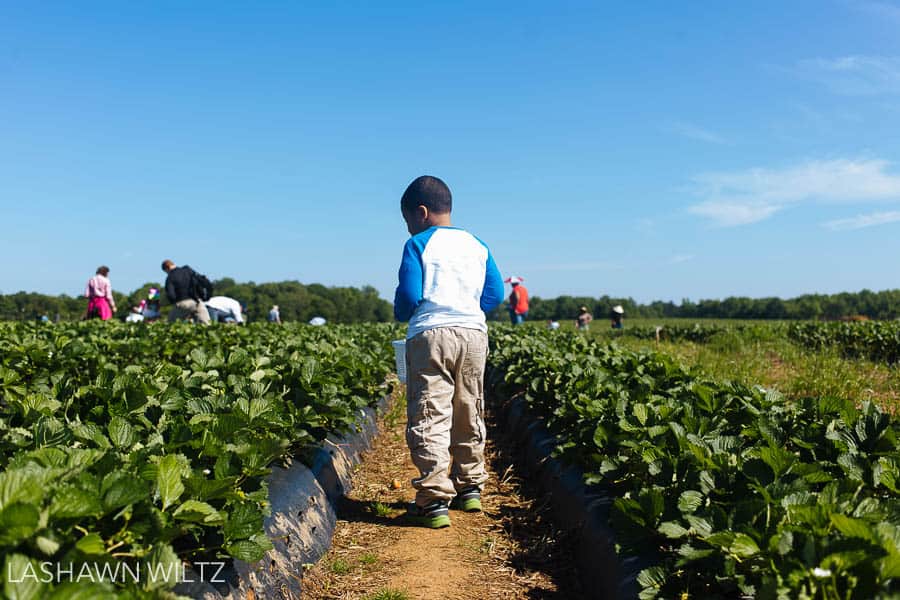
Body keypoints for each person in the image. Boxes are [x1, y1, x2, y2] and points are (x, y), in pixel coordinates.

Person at [394, 175, 504, 528]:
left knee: (430, 411)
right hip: (474, 334)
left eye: (409, 220)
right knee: (469, 405)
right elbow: (495, 295)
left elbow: (409, 296)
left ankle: (434, 498)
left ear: (421, 213)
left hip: (431, 334)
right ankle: (470, 486)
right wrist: (470, 310)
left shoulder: (418, 245)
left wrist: (403, 311)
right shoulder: (478, 244)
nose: (410, 227)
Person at [161, 259, 210, 324]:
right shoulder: (188, 271)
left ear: (167, 268)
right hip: (198, 302)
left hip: (183, 303)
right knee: (206, 325)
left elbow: (171, 295)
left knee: (170, 325)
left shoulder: (170, 277)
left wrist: (175, 303)